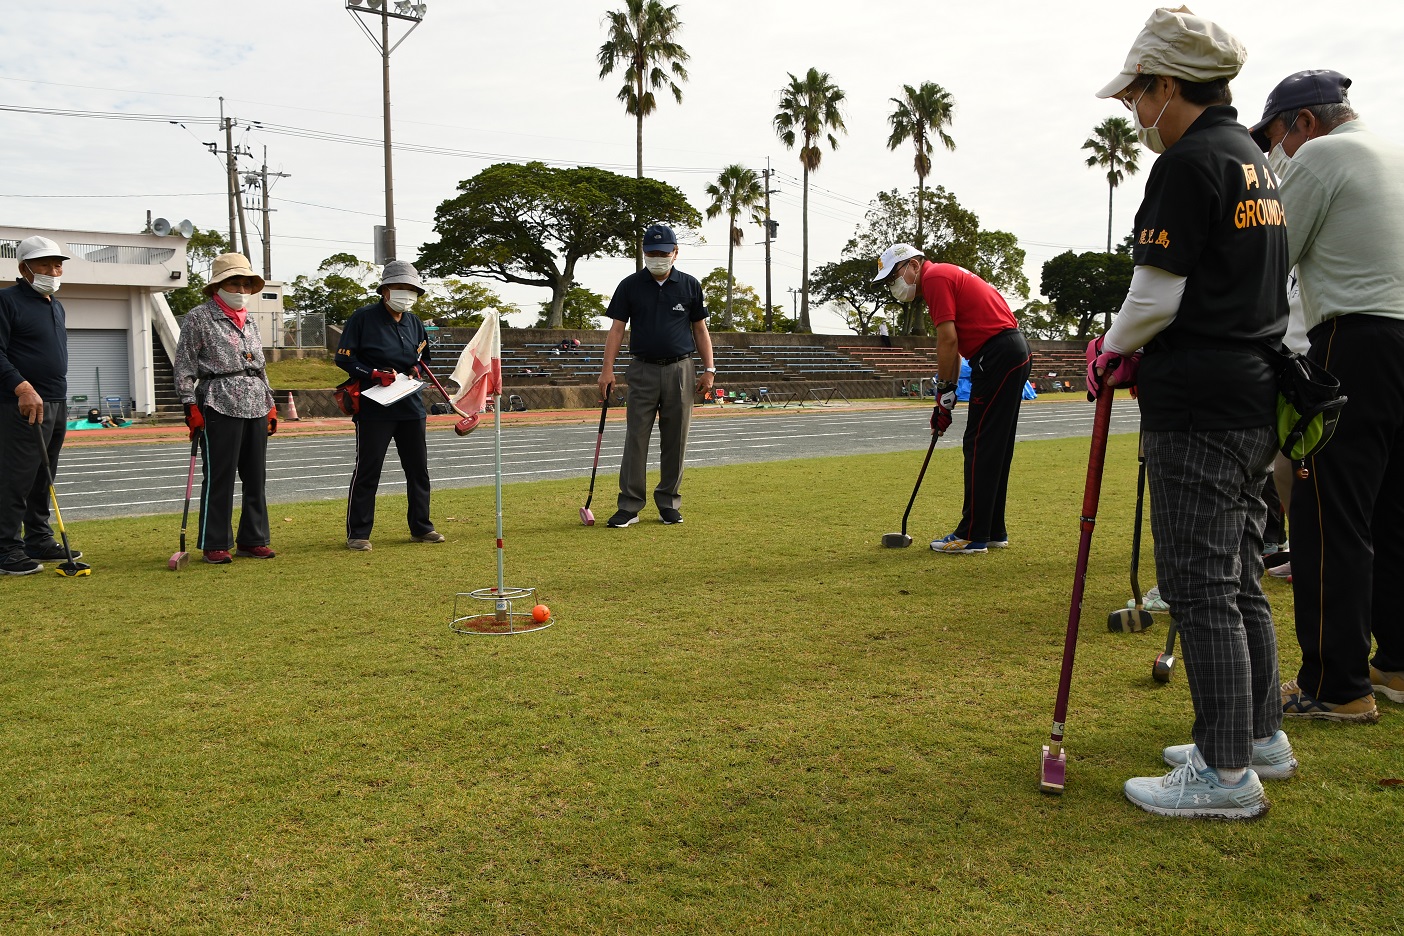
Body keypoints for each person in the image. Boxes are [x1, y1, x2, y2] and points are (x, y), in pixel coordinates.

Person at [1089, 7, 1291, 819]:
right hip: (1254, 393)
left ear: (1169, 85)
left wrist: (1109, 349)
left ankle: (1224, 769)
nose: (1136, 112)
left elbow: (1155, 294)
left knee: (1199, 584)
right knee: (1237, 577)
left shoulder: (1188, 161)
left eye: (1140, 94)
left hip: (1202, 399)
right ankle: (1258, 735)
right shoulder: (1253, 158)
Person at [1250, 69, 1404, 721]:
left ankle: (1334, 685)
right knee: (1392, 509)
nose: (1274, 152)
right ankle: (1394, 663)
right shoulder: (1390, 150)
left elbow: (1268, 259)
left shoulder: (1319, 154)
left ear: (1304, 123)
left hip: (1355, 338)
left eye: (1275, 136)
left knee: (1326, 510)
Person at [872, 243, 1031, 555]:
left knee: (980, 444)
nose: (895, 284)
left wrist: (944, 390)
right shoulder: (946, 274)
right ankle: (992, 529)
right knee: (995, 445)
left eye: (895, 275)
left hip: (998, 354)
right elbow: (956, 346)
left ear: (914, 265)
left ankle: (972, 534)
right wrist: (946, 394)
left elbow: (947, 339)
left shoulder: (934, 278)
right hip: (1010, 351)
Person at [597, 223, 715, 527]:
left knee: (676, 439)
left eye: (663, 252)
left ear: (675, 253)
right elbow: (617, 328)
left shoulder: (690, 285)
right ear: (644, 253)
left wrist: (709, 368)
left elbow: (700, 329)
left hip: (680, 369)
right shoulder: (630, 285)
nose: (657, 257)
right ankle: (630, 505)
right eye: (651, 252)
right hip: (642, 369)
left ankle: (669, 503)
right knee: (636, 437)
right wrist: (607, 369)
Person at [173, 253, 279, 565]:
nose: (242, 288)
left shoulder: (251, 320)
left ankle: (253, 539)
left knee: (255, 476)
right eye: (235, 282)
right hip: (218, 402)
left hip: (256, 402)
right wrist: (189, 406)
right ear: (218, 285)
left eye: (247, 283)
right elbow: (183, 366)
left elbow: (260, 367)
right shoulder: (198, 318)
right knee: (219, 477)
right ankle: (214, 542)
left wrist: (271, 405)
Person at [336, 260, 445, 551]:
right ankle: (358, 533)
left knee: (418, 468)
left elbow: (423, 359)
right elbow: (344, 359)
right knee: (368, 469)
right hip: (373, 405)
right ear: (385, 290)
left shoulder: (415, 322)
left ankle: (421, 527)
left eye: (412, 289)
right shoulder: (362, 318)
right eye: (400, 287)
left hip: (409, 404)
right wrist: (372, 373)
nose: (406, 294)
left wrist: (415, 371)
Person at [0, 236, 75, 575]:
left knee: (43, 477)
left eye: (57, 264)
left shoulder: (54, 304)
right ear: (24, 268)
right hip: (21, 403)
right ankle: (5, 549)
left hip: (55, 402)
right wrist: (21, 386)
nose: (53, 270)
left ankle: (38, 539)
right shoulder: (6, 301)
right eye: (44, 264)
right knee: (16, 477)